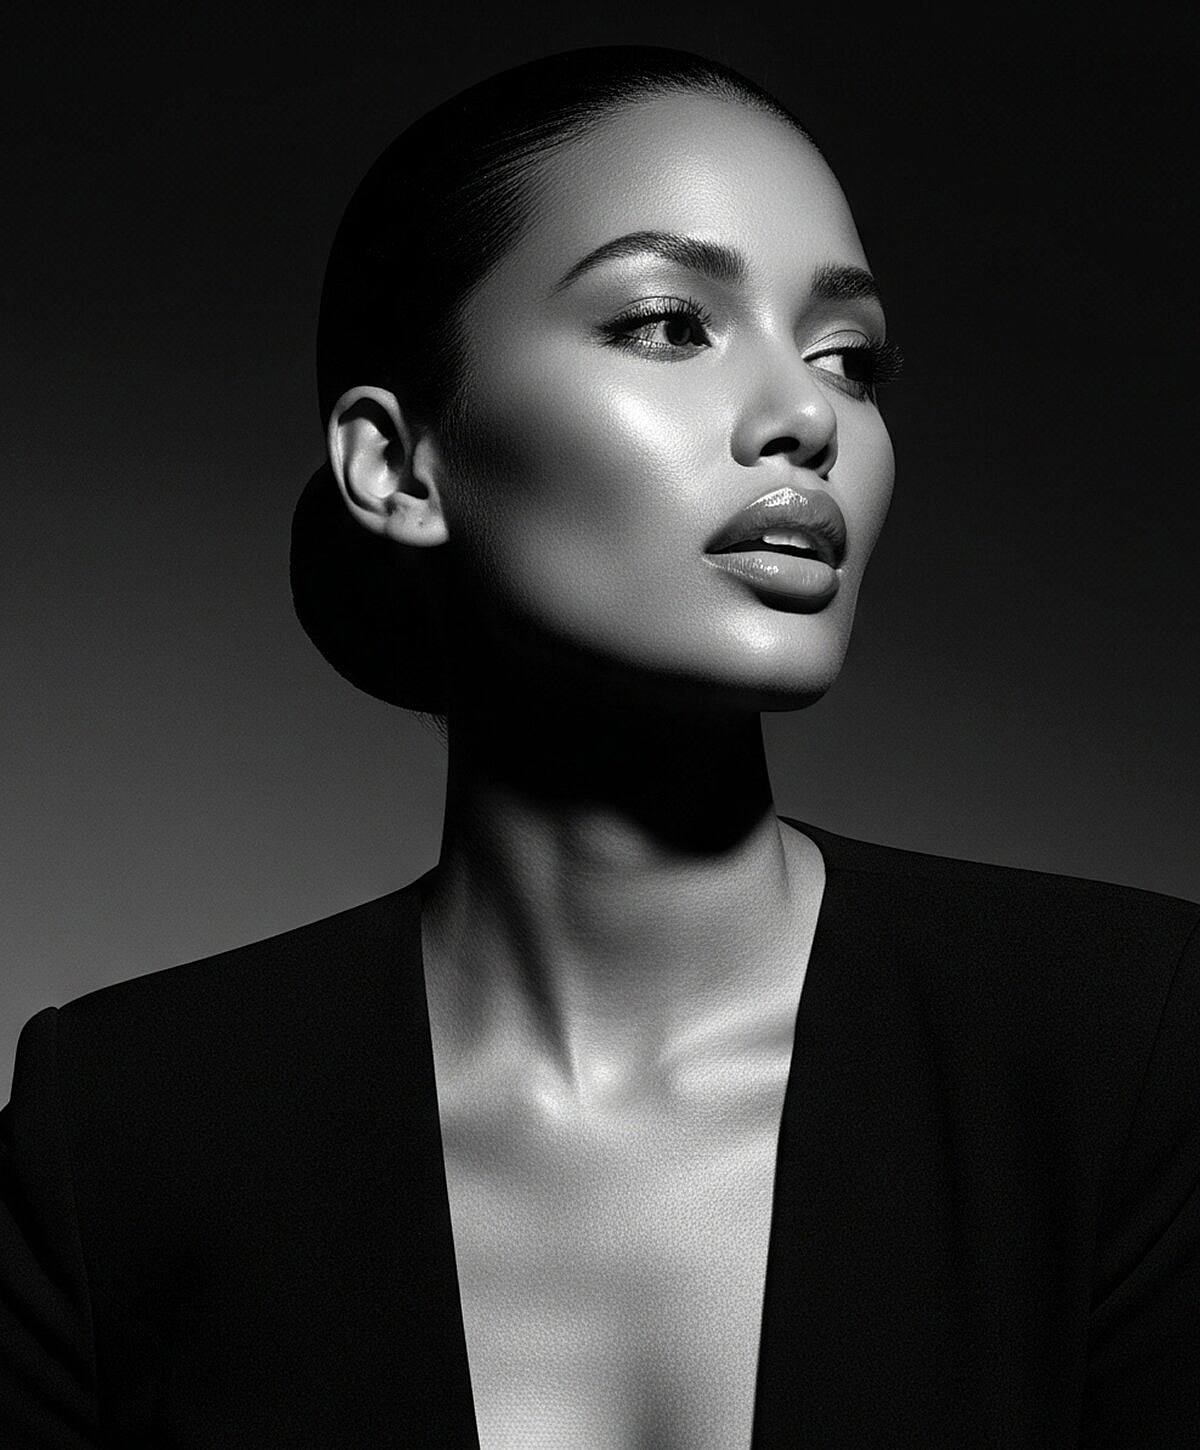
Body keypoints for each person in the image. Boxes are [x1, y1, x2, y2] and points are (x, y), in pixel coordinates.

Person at [1, 44, 1196, 1450]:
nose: (806, 417)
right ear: (398, 467)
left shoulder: (1127, 1047)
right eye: (669, 323)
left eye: (848, 357)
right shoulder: (127, 1125)